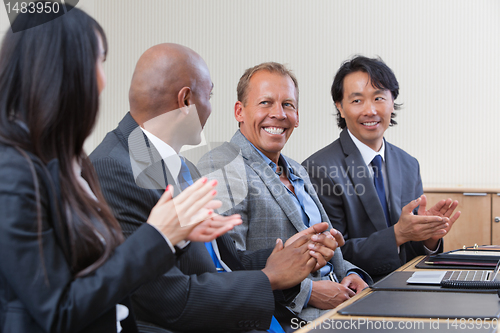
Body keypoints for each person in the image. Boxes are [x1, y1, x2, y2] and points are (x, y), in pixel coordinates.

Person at [0, 7, 224, 333]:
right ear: (63, 70)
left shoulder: (70, 161)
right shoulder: (13, 173)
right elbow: (59, 311)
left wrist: (173, 235)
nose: (103, 82)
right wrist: (158, 236)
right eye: (99, 62)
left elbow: (103, 271)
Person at [90, 43, 336, 332]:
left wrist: (287, 258)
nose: (210, 106)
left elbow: (225, 262)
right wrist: (270, 277)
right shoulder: (114, 169)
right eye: (209, 95)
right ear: (186, 101)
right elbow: (166, 299)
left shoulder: (180, 166)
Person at [197, 62, 372, 322]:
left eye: (287, 104)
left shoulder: (298, 170)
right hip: (289, 316)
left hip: (342, 303)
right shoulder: (222, 166)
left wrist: (352, 274)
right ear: (239, 111)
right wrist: (309, 292)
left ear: (297, 116)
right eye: (265, 103)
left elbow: (328, 250)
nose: (278, 114)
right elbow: (228, 265)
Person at [302, 55, 461, 280]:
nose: (370, 110)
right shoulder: (318, 168)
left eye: (378, 98)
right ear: (340, 107)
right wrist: (397, 234)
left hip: (409, 287)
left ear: (392, 101)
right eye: (357, 101)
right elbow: (332, 253)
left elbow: (411, 251)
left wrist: (428, 237)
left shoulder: (408, 164)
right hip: (356, 290)